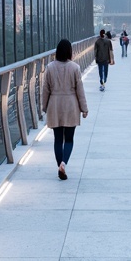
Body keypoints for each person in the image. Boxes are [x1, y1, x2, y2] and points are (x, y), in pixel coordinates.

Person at [41, 38, 88, 180]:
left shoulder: (50, 67)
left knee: (57, 139)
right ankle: (63, 163)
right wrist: (84, 108)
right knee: (69, 139)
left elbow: (45, 89)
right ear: (69, 52)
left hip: (55, 104)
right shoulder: (75, 67)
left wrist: (44, 106)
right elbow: (80, 90)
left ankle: (59, 166)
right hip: (71, 104)